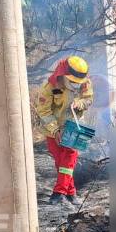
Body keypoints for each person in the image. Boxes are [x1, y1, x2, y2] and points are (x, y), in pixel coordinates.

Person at [34, 56, 94, 205]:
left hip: (75, 127)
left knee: (69, 158)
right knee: (61, 162)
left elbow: (88, 99)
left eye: (78, 83)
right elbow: (44, 112)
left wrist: (80, 103)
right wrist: (55, 131)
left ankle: (59, 192)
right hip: (52, 130)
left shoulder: (85, 83)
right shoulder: (50, 87)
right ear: (64, 75)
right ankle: (71, 193)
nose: (76, 85)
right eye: (72, 82)